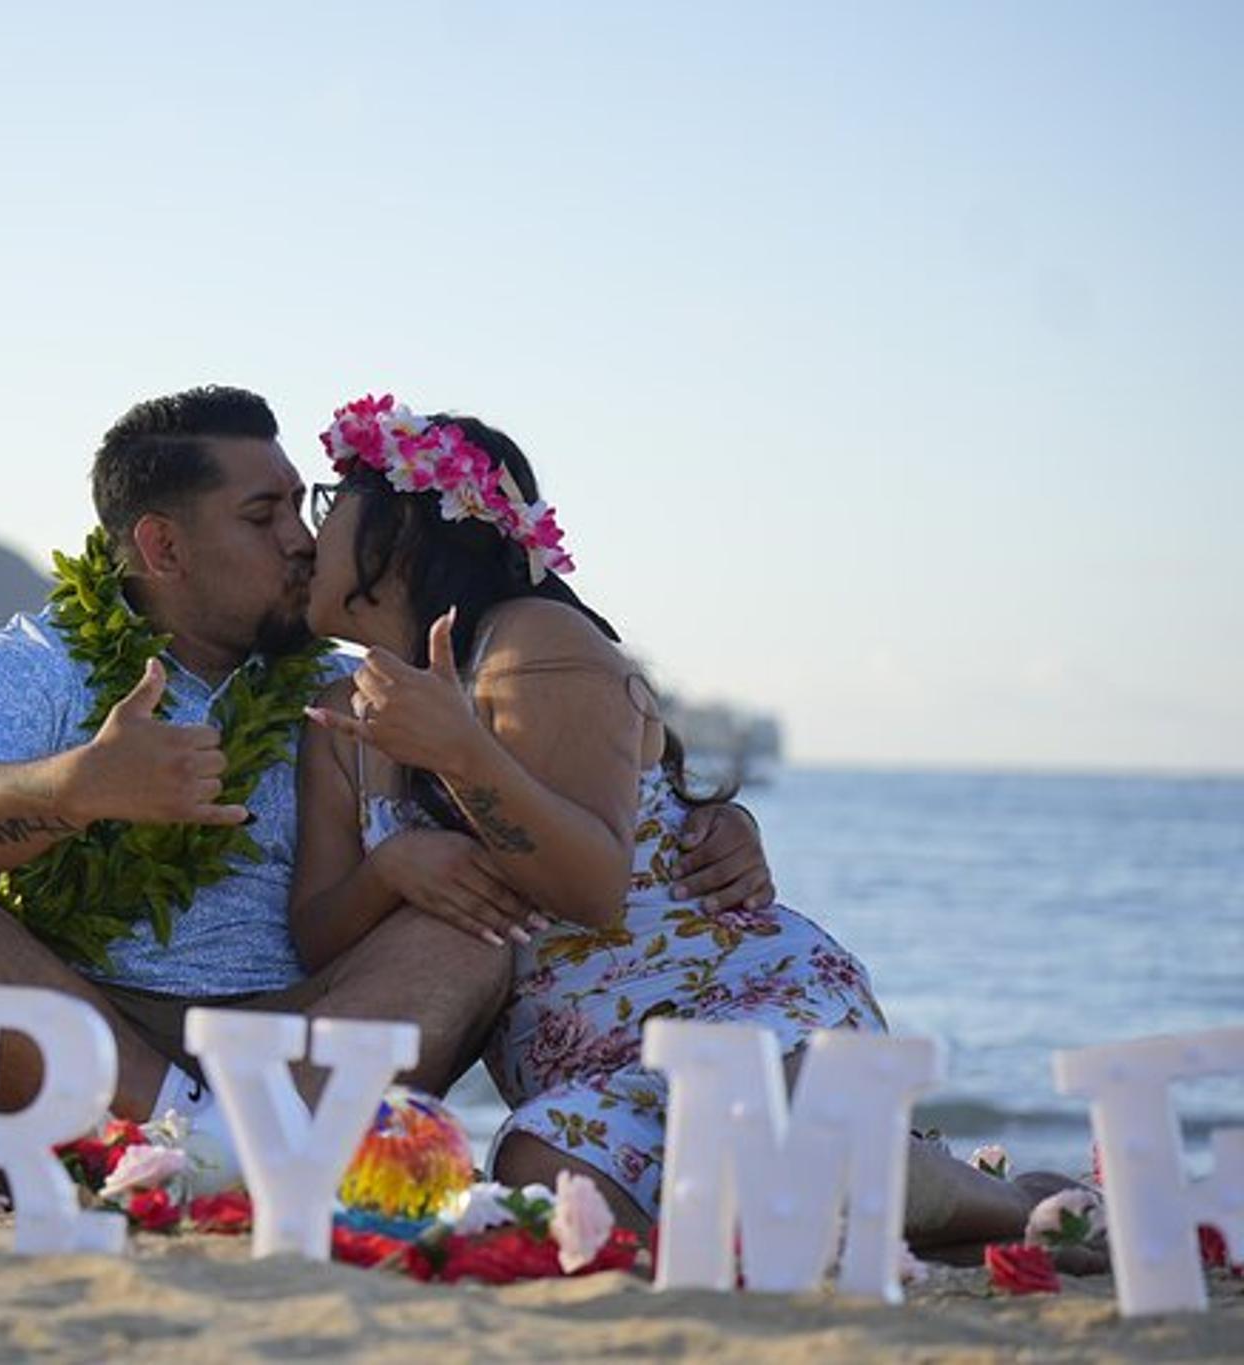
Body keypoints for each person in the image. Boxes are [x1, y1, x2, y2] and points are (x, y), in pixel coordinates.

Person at [0, 385, 775, 1146]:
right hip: (76, 1023)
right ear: (163, 547)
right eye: (265, 514)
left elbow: (569, 762)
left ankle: (223, 1144)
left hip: (295, 1033)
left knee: (468, 933)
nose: (302, 537)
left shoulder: (358, 692)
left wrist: (699, 825)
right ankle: (196, 1135)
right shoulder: (28, 666)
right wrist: (82, 786)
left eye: (301, 505)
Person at [290, 394, 1052, 1248]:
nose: (311, 532)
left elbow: (594, 888)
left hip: (716, 1002)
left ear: (402, 532)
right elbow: (320, 936)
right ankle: (930, 1194)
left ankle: (1035, 1216)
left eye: (333, 498)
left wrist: (461, 753)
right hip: (580, 1067)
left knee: (768, 1139)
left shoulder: (531, 641)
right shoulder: (335, 720)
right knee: (542, 1176)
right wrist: (391, 869)